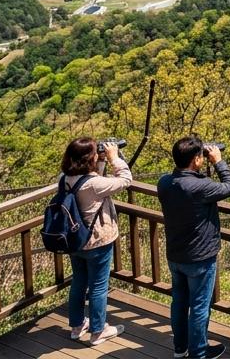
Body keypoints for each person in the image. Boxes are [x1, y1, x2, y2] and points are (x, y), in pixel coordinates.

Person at [159, 137, 230, 359]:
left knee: (180, 303)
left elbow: (188, 182)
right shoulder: (199, 186)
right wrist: (219, 162)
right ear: (196, 160)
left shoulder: (164, 182)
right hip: (200, 257)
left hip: (175, 255)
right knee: (200, 307)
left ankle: (180, 348)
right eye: (201, 155)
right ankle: (199, 353)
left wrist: (202, 166)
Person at [60, 137, 132, 345]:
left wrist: (99, 161)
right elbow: (126, 179)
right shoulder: (94, 184)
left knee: (79, 282)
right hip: (97, 241)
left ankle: (76, 326)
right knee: (99, 286)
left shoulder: (63, 178)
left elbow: (90, 182)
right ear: (87, 158)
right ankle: (98, 331)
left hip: (74, 240)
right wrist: (114, 158)